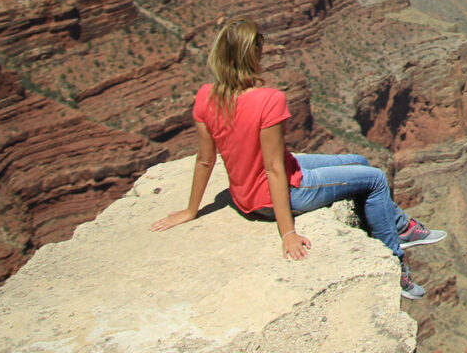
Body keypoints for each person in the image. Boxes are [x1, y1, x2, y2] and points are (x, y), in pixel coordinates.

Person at [149, 18, 445, 299]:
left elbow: (204, 160)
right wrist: (287, 232)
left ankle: (401, 225)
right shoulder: (268, 99)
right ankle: (396, 264)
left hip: (245, 195)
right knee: (377, 179)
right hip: (280, 194)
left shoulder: (205, 96)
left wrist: (191, 210)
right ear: (251, 56)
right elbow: (274, 168)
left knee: (359, 160)